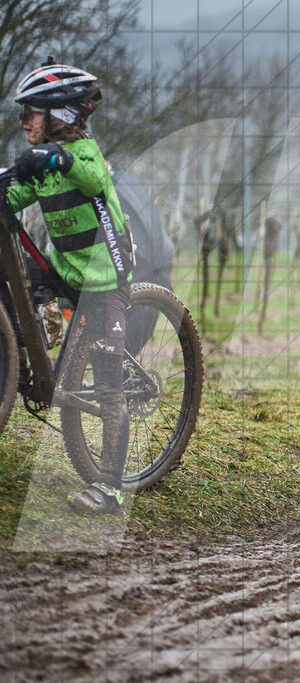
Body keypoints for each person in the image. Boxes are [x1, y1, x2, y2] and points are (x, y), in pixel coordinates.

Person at [6, 60, 135, 513]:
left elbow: (92, 177)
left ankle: (112, 487)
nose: (24, 122)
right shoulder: (45, 163)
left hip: (105, 280)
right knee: (18, 269)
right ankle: (34, 346)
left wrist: (53, 156)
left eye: (32, 113)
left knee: (107, 385)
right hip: (65, 270)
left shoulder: (82, 153)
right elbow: (15, 194)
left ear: (59, 113)